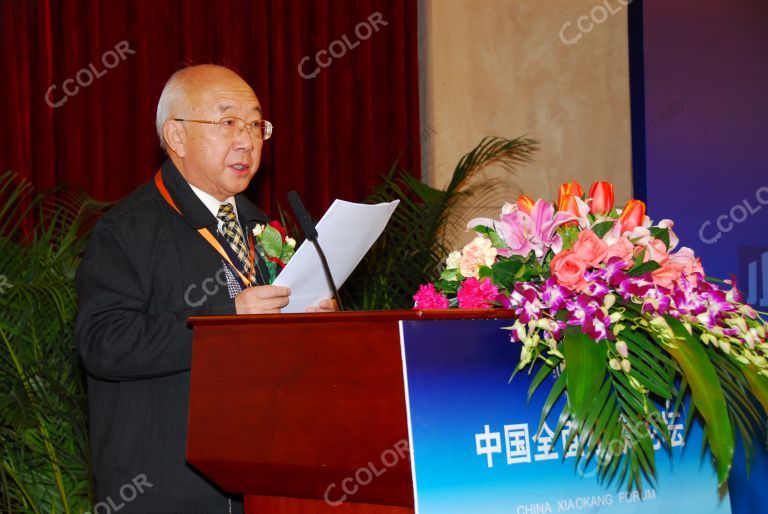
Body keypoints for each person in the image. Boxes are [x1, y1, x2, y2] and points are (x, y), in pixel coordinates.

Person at [76, 64, 336, 513]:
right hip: (163, 490)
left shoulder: (261, 226)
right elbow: (103, 344)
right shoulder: (126, 232)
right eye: (227, 122)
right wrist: (226, 320)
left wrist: (307, 326)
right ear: (176, 137)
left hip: (263, 481)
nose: (247, 140)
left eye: (255, 125)